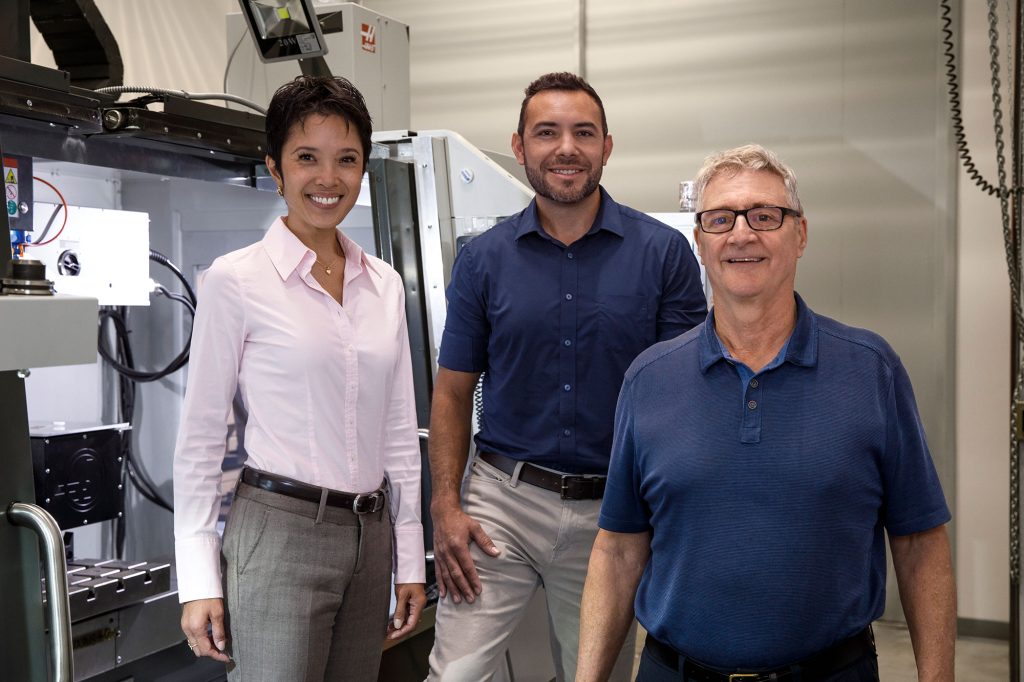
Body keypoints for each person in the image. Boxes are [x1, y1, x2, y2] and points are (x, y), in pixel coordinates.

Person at [577, 144, 956, 682]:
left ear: (800, 235)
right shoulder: (649, 379)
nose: (741, 234)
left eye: (765, 215)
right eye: (720, 219)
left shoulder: (872, 369)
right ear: (699, 243)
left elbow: (920, 542)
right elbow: (617, 551)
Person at [426, 72, 707, 681]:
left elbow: (688, 399)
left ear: (607, 146)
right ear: (520, 145)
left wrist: (668, 511)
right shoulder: (483, 260)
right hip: (499, 501)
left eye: (583, 132)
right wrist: (445, 505)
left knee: (593, 676)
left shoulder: (663, 254)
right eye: (546, 132)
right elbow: (451, 392)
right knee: (454, 675)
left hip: (614, 511)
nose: (566, 148)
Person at [172, 75, 426, 681]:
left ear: (363, 169)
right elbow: (203, 435)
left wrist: (410, 557)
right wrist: (198, 577)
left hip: (370, 536)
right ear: (275, 168)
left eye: (346, 160)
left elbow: (397, 430)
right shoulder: (236, 281)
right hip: (279, 533)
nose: (327, 178)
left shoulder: (384, 283)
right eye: (306, 158)